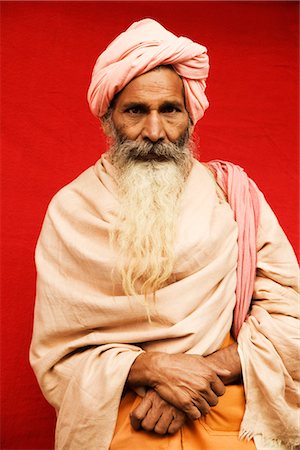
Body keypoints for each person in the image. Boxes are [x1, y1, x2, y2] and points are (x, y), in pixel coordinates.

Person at [30, 19, 299, 450]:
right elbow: (57, 357)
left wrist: (203, 371)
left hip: (229, 404)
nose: (154, 133)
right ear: (109, 116)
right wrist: (152, 368)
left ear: (189, 114)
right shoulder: (71, 210)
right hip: (121, 415)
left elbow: (292, 316)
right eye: (136, 111)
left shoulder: (234, 195)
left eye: (169, 110)